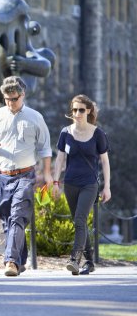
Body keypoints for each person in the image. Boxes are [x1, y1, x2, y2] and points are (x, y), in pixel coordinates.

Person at [0, 76, 52, 277]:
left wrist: (47, 174)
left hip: (25, 175)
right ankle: (20, 260)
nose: (10, 103)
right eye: (7, 99)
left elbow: (45, 148)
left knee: (17, 216)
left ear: (22, 95)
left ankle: (11, 262)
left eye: (14, 99)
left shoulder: (35, 117)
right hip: (0, 176)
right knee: (8, 220)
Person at [52, 94, 111, 275]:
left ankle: (74, 259)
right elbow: (60, 158)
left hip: (89, 184)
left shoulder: (98, 133)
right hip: (70, 183)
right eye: (74, 109)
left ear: (89, 111)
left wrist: (107, 186)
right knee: (80, 222)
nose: (77, 113)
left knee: (79, 220)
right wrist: (55, 182)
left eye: (81, 110)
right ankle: (90, 261)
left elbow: (105, 161)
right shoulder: (65, 132)